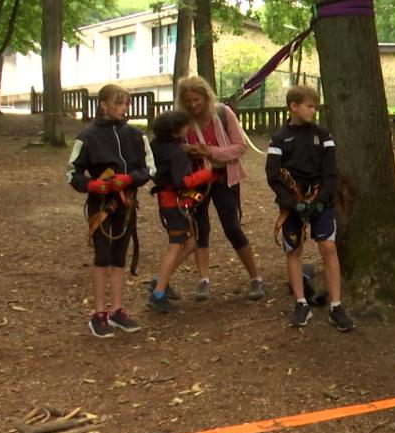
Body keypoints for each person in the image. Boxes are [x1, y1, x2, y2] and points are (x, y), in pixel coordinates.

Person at [66, 84, 155, 338]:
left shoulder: (136, 136)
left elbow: (150, 169)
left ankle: (116, 310)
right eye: (118, 103)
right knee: (102, 256)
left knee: (119, 256)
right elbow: (72, 173)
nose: (123, 108)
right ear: (103, 105)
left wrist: (129, 179)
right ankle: (98, 313)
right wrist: (92, 185)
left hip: (126, 203)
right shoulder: (88, 137)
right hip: (101, 204)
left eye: (126, 103)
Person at [266, 84, 354, 332]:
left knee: (328, 247)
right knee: (294, 250)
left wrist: (320, 201)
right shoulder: (279, 138)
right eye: (309, 106)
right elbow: (273, 174)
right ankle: (300, 303)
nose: (313, 111)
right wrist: (291, 202)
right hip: (292, 202)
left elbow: (330, 172)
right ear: (293, 107)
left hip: (320, 200)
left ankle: (336, 306)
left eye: (315, 107)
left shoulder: (323, 136)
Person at [176, 76, 265, 301]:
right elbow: (174, 147)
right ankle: (203, 280)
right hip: (196, 180)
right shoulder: (181, 120)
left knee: (232, 227)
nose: (193, 105)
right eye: (188, 101)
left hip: (224, 177)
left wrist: (211, 152)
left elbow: (240, 146)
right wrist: (188, 150)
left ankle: (255, 277)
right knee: (200, 228)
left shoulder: (223, 113)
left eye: (197, 100)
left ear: (205, 97)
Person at [146, 110, 217, 314]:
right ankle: (158, 294)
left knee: (191, 243)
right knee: (176, 246)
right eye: (186, 127)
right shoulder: (176, 152)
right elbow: (181, 182)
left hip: (167, 201)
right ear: (176, 132)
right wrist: (206, 174)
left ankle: (161, 280)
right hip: (173, 203)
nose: (189, 129)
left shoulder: (156, 145)